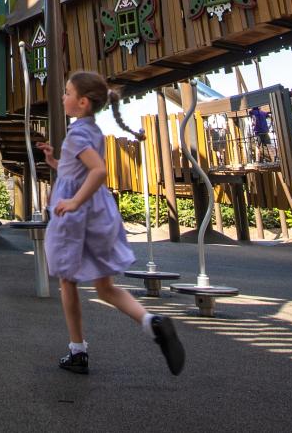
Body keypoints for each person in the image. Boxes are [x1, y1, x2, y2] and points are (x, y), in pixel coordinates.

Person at [39, 70, 185, 377]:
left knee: (67, 281)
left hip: (76, 217)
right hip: (98, 215)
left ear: (81, 102)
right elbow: (78, 168)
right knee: (105, 286)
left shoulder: (78, 133)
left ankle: (77, 350)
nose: (62, 96)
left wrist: (74, 201)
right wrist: (55, 161)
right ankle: (151, 323)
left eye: (67, 92)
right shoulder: (91, 130)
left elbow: (98, 171)